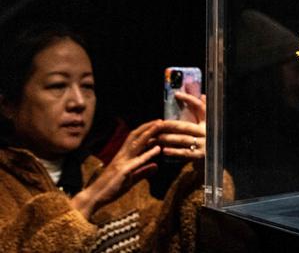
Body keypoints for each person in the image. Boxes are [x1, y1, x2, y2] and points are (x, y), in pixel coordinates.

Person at [0, 23, 233, 252]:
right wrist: (90, 199)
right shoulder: (107, 181)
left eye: (87, 86)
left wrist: (207, 172)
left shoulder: (113, 179)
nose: (79, 102)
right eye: (57, 85)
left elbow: (176, 243)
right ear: (8, 104)